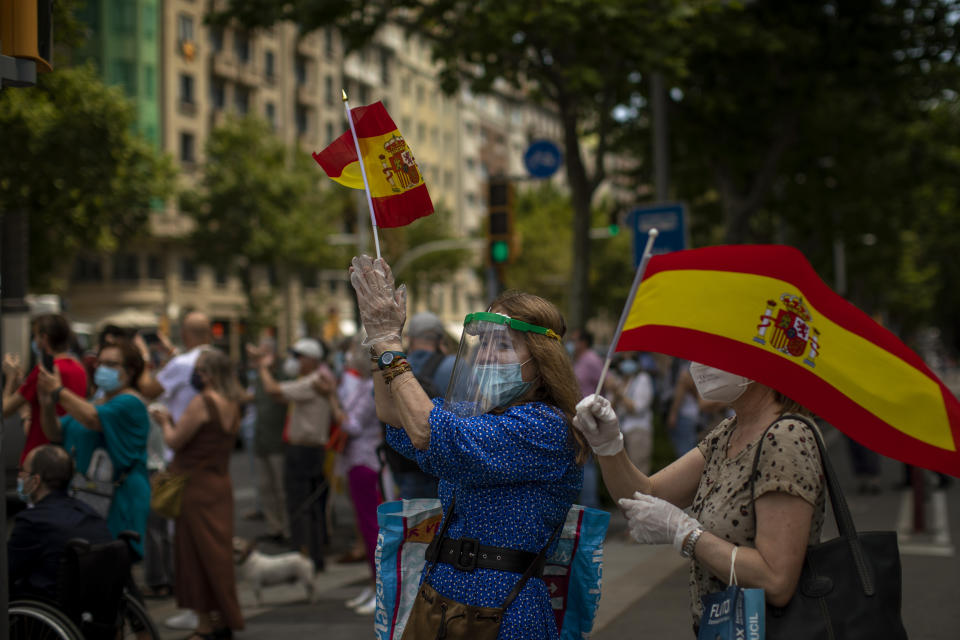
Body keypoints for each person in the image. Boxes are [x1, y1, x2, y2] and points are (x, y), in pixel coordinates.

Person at [350, 255, 586, 639]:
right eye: (484, 344)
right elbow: (394, 415)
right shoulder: (479, 416)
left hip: (501, 608)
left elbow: (429, 432)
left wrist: (389, 343)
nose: (487, 356)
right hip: (442, 596)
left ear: (542, 362)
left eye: (504, 347)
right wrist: (378, 344)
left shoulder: (545, 427)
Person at [574, 361, 826, 634]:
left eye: (716, 353)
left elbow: (776, 581)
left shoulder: (785, 437)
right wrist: (609, 445)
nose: (698, 365)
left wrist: (687, 534)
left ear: (759, 356)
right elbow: (644, 496)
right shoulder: (728, 433)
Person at [150, 349, 244, 639]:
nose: (197, 375)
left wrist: (164, 421)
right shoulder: (234, 403)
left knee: (194, 556)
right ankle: (224, 617)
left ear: (212, 374)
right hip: (219, 485)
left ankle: (204, 625)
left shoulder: (203, 402)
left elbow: (175, 441)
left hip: (193, 487)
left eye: (202, 370)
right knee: (218, 555)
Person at [35, 339, 151, 559]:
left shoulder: (130, 402)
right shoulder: (96, 402)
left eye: (111, 364)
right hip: (92, 495)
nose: (102, 368)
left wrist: (58, 391)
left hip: (120, 497)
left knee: (111, 565)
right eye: (100, 363)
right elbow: (56, 432)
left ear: (130, 371)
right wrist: (47, 403)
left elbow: (93, 420)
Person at [251, 337, 337, 572]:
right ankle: (313, 555)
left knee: (300, 506)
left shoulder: (313, 380)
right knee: (313, 507)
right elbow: (278, 396)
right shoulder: (316, 379)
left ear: (311, 359)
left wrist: (262, 367)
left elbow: (272, 389)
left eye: (299, 357)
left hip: (304, 449)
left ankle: (305, 557)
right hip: (311, 449)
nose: (295, 362)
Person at [8, 445, 113, 600]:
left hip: (47, 608)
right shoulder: (89, 513)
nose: (20, 477)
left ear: (35, 481)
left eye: (23, 471)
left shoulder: (33, 522)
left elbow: (7, 572)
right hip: (93, 607)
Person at [387, 310, 455, 500]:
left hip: (403, 463)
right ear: (440, 338)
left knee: (413, 525)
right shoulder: (453, 366)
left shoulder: (393, 367)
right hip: (443, 466)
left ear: (409, 338)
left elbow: (380, 407)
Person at [3, 313, 89, 464]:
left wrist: (10, 377)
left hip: (39, 456)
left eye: (35, 336)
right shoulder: (79, 368)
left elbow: (5, 409)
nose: (34, 341)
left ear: (44, 338)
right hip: (68, 454)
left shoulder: (43, 372)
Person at [338, 341, 383, 615]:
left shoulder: (370, 389)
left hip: (365, 461)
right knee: (365, 528)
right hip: (358, 460)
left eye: (354, 353)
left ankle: (380, 588)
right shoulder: (363, 386)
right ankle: (373, 584)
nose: (350, 358)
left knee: (371, 529)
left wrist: (331, 402)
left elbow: (352, 425)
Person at [246, 337, 290, 542]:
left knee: (281, 488)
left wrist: (262, 367)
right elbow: (250, 398)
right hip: (261, 439)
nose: (259, 358)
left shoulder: (282, 374)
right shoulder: (258, 377)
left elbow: (276, 392)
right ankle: (274, 527)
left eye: (264, 354)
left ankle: (289, 529)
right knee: (265, 487)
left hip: (277, 441)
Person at [568, 328, 604, 509]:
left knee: (586, 464)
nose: (571, 344)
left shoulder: (591, 359)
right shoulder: (580, 360)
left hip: (588, 418)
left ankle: (590, 507)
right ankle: (587, 506)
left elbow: (608, 382)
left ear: (583, 342)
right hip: (579, 418)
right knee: (582, 463)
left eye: (574, 340)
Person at [609, 358, 654, 475]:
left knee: (639, 471)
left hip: (638, 430)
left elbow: (637, 408)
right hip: (619, 432)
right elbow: (609, 409)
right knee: (622, 474)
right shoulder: (618, 380)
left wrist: (618, 393)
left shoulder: (642, 379)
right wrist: (614, 392)